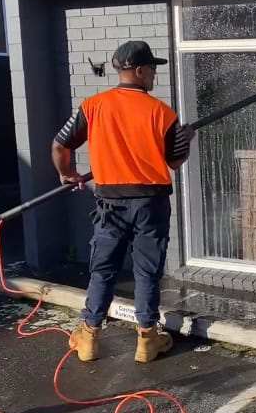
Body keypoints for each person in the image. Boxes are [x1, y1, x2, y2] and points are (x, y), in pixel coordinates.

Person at [51, 40, 195, 364]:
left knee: (103, 270)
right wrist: (185, 138)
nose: (154, 76)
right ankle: (147, 339)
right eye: (152, 70)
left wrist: (68, 174)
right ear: (139, 70)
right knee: (146, 272)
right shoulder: (162, 113)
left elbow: (60, 145)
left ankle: (88, 337)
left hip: (109, 206)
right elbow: (174, 161)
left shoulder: (93, 106)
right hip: (150, 204)